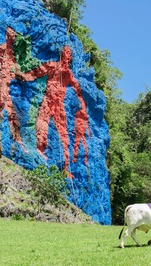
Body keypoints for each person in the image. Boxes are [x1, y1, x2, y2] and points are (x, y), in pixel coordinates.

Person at [16, 46, 90, 177]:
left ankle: (66, 167)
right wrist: (23, 76)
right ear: (62, 55)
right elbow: (36, 73)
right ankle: (40, 149)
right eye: (65, 53)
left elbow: (77, 89)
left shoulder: (68, 74)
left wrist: (82, 106)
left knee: (64, 133)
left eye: (69, 55)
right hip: (48, 99)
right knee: (42, 123)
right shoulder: (53, 65)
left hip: (59, 104)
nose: (67, 56)